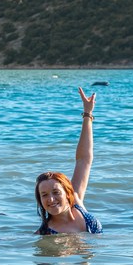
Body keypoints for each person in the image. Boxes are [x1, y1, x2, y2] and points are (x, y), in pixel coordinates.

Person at [35, 88, 102, 235]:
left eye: (56, 192)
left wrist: (87, 114)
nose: (51, 199)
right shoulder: (46, 233)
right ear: (40, 200)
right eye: (44, 195)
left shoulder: (77, 203)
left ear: (67, 193)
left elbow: (84, 159)